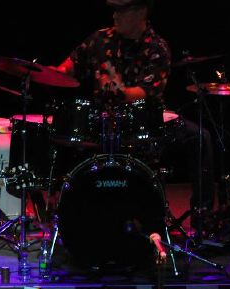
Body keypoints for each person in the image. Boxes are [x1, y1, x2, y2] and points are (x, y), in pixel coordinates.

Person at [55, 0, 214, 232]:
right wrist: (46, 73)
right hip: (100, 122)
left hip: (144, 121)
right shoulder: (99, 39)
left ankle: (202, 217)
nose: (115, 16)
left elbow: (144, 93)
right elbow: (67, 67)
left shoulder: (157, 47)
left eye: (121, 11)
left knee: (200, 137)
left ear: (141, 12)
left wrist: (118, 90)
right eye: (114, 11)